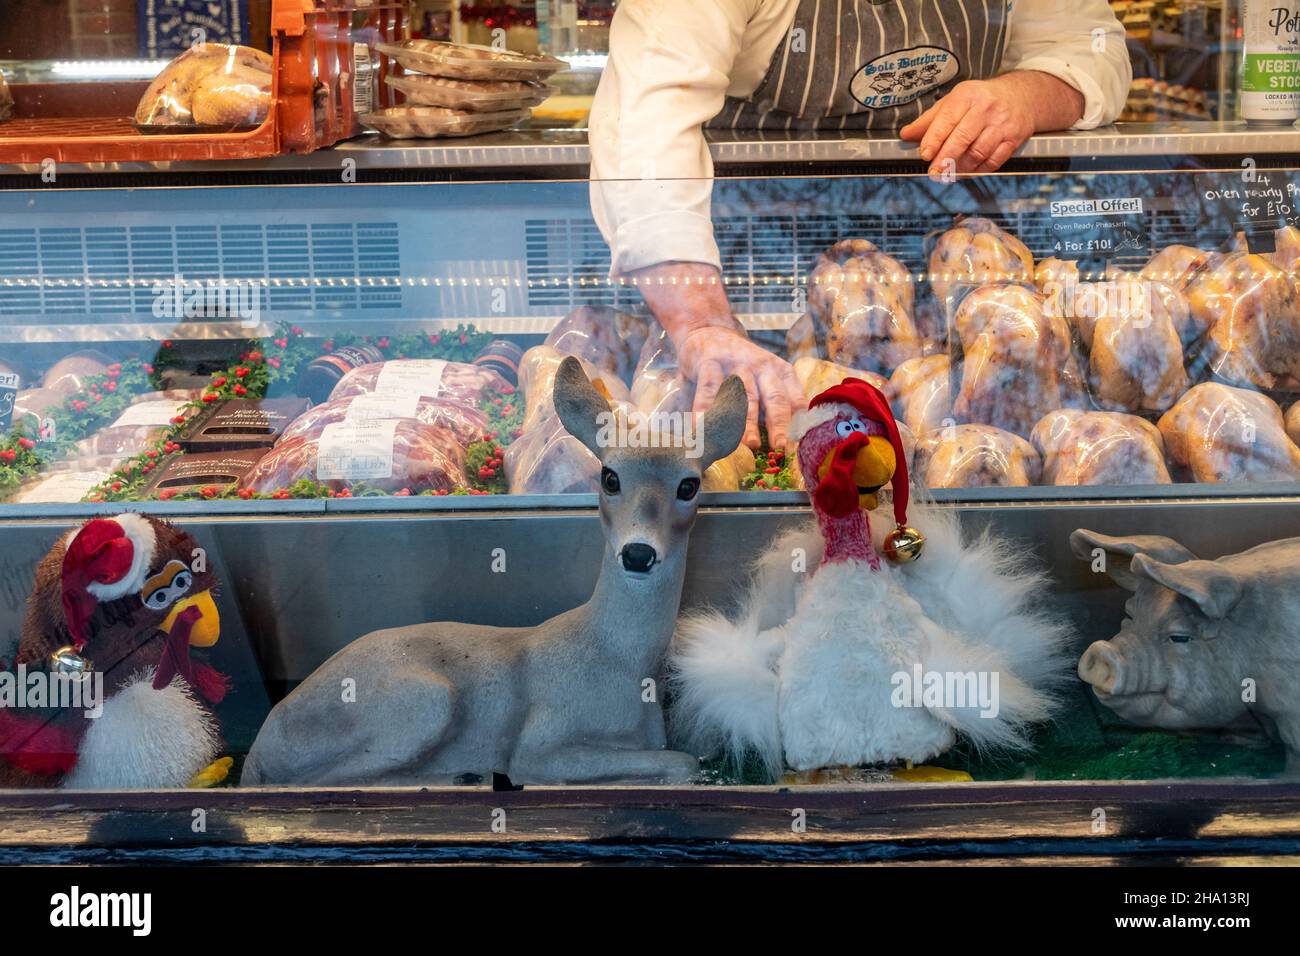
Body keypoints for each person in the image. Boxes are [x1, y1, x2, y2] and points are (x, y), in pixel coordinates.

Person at [589, 0, 1132, 451]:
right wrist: (702, 325)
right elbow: (645, 122)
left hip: (953, 276)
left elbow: (1090, 48)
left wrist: (1026, 94)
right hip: (752, 270)